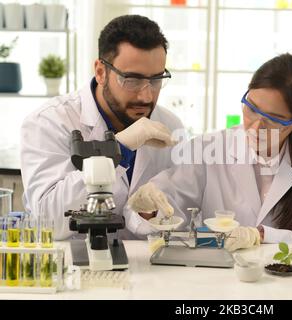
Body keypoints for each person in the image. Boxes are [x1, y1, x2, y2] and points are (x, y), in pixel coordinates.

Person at [127, 53, 292, 251]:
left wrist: (263, 235)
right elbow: (169, 206)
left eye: (273, 120)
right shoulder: (208, 148)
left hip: (290, 281)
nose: (254, 127)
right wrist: (149, 210)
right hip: (219, 279)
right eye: (251, 109)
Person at [20, 15, 183, 240]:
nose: (146, 95)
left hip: (145, 267)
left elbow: (175, 213)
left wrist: (151, 214)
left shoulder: (170, 125)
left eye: (156, 80)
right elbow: (50, 220)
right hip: (71, 268)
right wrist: (117, 150)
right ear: (100, 72)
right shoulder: (49, 122)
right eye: (132, 80)